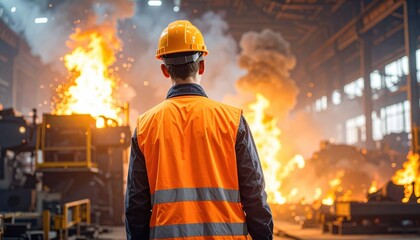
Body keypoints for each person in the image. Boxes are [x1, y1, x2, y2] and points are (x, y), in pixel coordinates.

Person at [125, 20, 273, 239]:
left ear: (165, 70)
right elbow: (254, 195)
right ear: (202, 66)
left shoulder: (146, 126)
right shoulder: (232, 121)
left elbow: (136, 207)